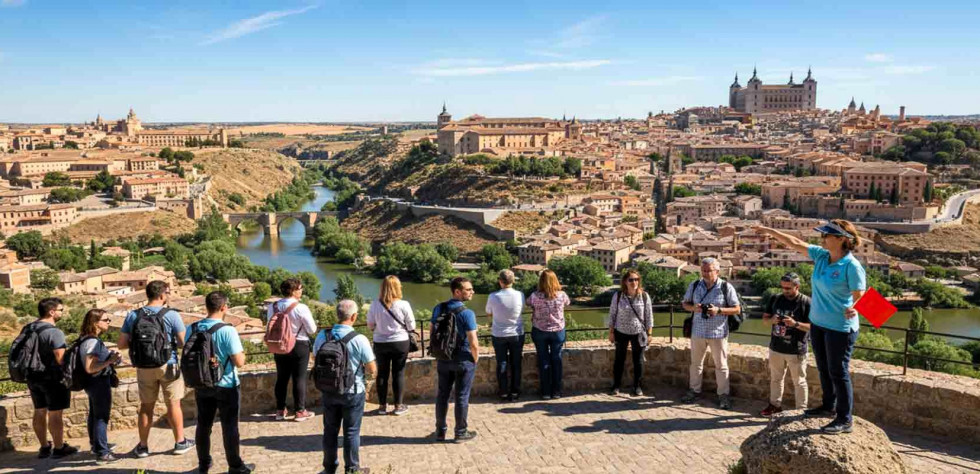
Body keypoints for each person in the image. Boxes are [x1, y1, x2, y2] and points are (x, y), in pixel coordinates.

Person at [755, 220, 866, 434]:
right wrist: (769, 230)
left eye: (827, 235)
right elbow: (795, 242)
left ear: (842, 239)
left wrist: (855, 308)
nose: (822, 239)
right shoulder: (822, 256)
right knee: (824, 369)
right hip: (818, 324)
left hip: (840, 328)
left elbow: (860, 295)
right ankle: (828, 407)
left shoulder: (851, 266)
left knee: (838, 371)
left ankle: (844, 418)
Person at [118, 281, 194, 457]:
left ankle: (143, 446)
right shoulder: (172, 315)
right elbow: (183, 343)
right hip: (168, 364)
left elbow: (121, 344)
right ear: (162, 295)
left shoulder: (133, 316)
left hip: (144, 367)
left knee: (146, 407)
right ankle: (180, 442)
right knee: (173, 405)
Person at [188, 292, 254, 474]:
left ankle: (204, 464)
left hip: (201, 384)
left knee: (203, 425)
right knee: (230, 427)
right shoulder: (228, 330)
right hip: (226, 385)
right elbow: (239, 361)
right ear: (224, 307)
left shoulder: (192, 328)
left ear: (206, 306)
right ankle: (235, 466)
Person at [313, 299, 377, 474]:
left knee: (330, 431)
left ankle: (329, 468)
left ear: (337, 314)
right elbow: (371, 368)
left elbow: (314, 359)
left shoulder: (322, 336)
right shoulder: (359, 339)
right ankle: (352, 469)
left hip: (328, 389)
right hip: (352, 391)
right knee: (351, 432)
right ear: (354, 316)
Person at [680, 258, 741, 410]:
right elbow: (684, 304)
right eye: (704, 271)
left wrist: (718, 310)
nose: (706, 273)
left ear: (717, 271)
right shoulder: (694, 285)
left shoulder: (726, 287)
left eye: (709, 271)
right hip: (698, 331)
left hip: (718, 333)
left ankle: (723, 396)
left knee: (721, 365)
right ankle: (694, 391)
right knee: (695, 364)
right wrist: (695, 308)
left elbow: (737, 309)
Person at [24, 298, 78, 459]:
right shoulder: (54, 332)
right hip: (52, 378)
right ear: (52, 312)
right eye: (61, 310)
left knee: (39, 411)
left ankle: (44, 447)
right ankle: (59, 448)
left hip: (33, 376)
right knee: (55, 414)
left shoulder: (28, 328)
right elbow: (61, 359)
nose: (63, 312)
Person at [431, 277, 479, 442]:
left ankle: (440, 431)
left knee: (442, 395)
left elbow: (432, 333)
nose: (472, 292)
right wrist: (475, 359)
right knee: (462, 396)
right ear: (457, 291)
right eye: (468, 289)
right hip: (463, 359)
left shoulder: (439, 308)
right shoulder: (467, 313)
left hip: (443, 359)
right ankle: (460, 432)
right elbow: (473, 342)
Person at [760, 273, 812, 416]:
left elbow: (814, 327)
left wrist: (795, 324)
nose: (785, 291)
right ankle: (774, 406)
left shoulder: (806, 302)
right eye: (783, 287)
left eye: (788, 288)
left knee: (799, 382)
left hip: (797, 349)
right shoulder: (775, 299)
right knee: (776, 379)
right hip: (776, 347)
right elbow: (764, 320)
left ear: (797, 286)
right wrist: (772, 320)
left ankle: (801, 411)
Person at [269, 278, 317, 422]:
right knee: (299, 378)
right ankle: (300, 411)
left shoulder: (273, 306)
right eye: (300, 288)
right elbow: (312, 329)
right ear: (293, 291)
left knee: (281, 378)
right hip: (299, 345)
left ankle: (280, 410)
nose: (302, 291)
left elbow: (270, 324)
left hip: (279, 345)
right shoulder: (301, 307)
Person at [366, 275, 416, 416]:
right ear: (397, 287)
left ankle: (382, 407)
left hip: (380, 343)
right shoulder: (403, 304)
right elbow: (411, 325)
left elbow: (370, 325)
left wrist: (379, 328)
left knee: (382, 373)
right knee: (398, 373)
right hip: (400, 342)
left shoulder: (375, 304)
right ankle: (398, 406)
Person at [79, 309, 122, 464]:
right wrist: (109, 361)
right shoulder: (93, 342)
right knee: (101, 417)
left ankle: (96, 445)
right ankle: (103, 453)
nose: (109, 322)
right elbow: (90, 367)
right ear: (95, 323)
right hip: (98, 382)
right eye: (106, 320)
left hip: (92, 383)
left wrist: (109, 357)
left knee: (94, 415)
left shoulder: (86, 339)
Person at [608, 269, 653, 397]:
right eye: (631, 280)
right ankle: (616, 385)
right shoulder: (618, 296)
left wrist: (649, 333)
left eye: (636, 279)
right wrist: (611, 332)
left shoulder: (644, 296)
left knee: (638, 361)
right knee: (619, 360)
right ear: (625, 282)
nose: (634, 282)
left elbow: (649, 316)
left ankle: (637, 386)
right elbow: (612, 314)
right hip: (621, 331)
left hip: (639, 332)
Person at [527, 270, 570, 400]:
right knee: (556, 359)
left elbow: (528, 303)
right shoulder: (562, 295)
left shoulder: (534, 296)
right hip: (557, 331)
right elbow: (567, 303)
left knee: (543, 359)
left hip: (540, 331)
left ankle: (545, 392)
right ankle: (556, 391)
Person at [486, 269, 525, 402]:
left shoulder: (493, 296)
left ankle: (503, 392)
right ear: (513, 281)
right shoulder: (520, 295)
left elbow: (489, 313)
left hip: (499, 334)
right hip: (517, 334)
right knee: (516, 363)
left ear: (500, 281)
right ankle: (515, 392)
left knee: (501, 362)